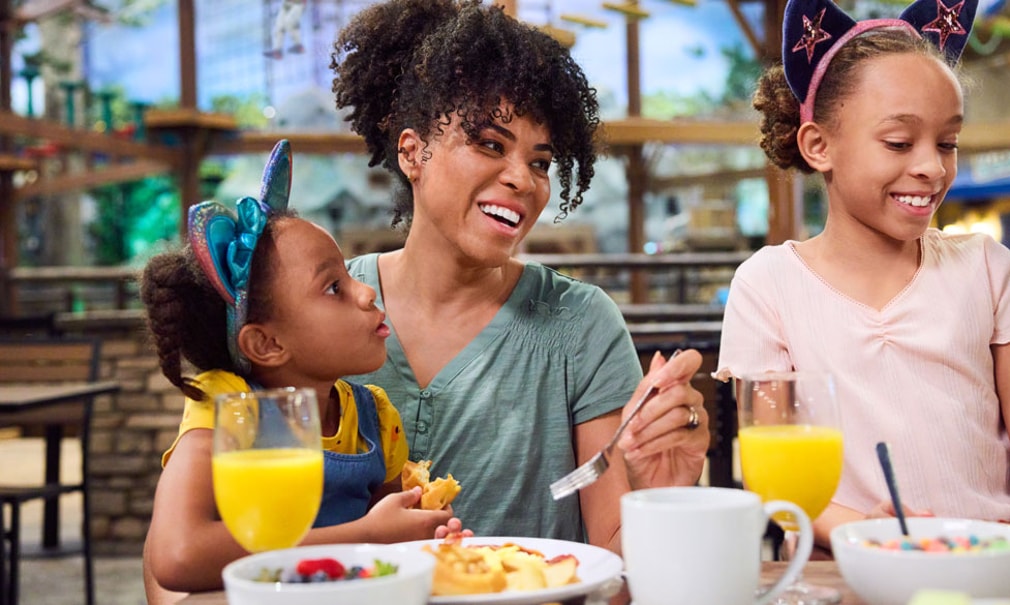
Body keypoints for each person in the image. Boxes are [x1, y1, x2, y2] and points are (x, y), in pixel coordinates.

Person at [330, 0, 711, 555]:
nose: (522, 180)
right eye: (489, 144)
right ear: (413, 152)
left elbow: (615, 558)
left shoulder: (580, 325)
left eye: (539, 162)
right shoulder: (323, 307)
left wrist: (661, 491)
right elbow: (197, 558)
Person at [717, 0, 1009, 554]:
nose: (932, 166)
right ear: (819, 146)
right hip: (840, 570)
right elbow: (775, 471)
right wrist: (860, 531)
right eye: (899, 143)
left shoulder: (989, 269)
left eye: (947, 142)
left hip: (989, 566)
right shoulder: (768, 284)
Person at [140, 140, 465, 596]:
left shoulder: (375, 419)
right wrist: (365, 536)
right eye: (334, 286)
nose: (366, 292)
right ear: (267, 343)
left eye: (350, 276)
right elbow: (176, 557)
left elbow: (392, 542)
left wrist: (426, 536)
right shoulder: (229, 405)